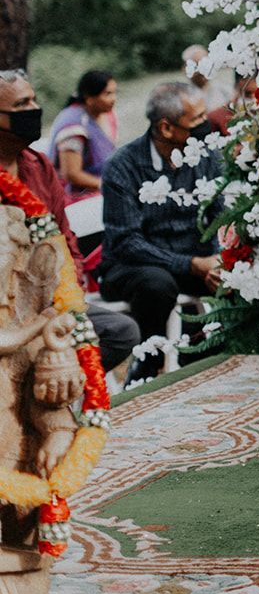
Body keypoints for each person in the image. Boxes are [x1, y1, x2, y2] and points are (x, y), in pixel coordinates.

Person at [0, 70, 137, 373]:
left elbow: (65, 238)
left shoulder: (37, 165)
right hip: (6, 310)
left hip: (50, 300)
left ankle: (55, 389)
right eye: (22, 105)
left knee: (120, 332)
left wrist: (66, 292)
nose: (34, 110)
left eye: (33, 101)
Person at [99, 82, 222, 380]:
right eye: (196, 121)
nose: (205, 126)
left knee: (241, 276)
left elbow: (221, 213)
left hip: (195, 262)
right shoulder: (123, 166)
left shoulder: (205, 156)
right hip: (134, 267)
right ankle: (147, 364)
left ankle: (203, 359)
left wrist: (222, 259)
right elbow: (127, 242)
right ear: (166, 128)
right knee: (157, 283)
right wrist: (192, 264)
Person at [47, 69, 118, 203]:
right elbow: (71, 174)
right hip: (77, 195)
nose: (114, 99)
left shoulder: (105, 114)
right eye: (107, 94)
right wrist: (107, 185)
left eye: (114, 93)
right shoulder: (73, 127)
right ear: (89, 98)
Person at [183, 44, 234, 131]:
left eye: (206, 64)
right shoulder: (183, 95)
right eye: (198, 65)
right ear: (185, 68)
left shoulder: (224, 90)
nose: (203, 70)